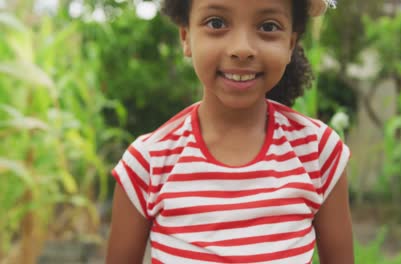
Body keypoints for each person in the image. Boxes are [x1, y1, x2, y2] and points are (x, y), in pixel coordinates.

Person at [106, 0, 354, 263]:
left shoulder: (318, 152)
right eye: (217, 23)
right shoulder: (148, 163)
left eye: (268, 26)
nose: (242, 49)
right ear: (186, 37)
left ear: (290, 44)